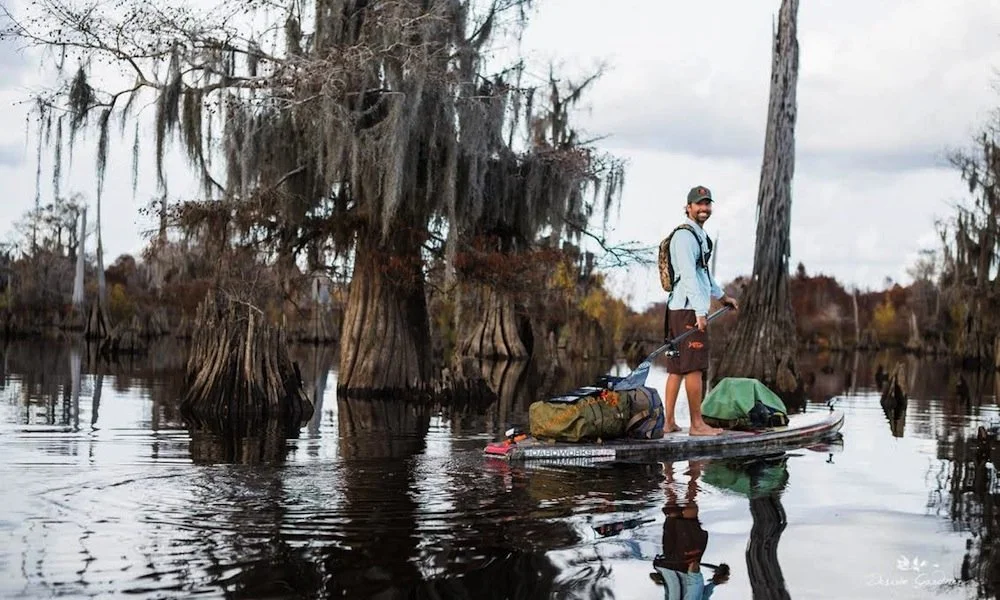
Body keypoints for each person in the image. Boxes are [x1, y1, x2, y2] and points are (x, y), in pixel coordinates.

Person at [661, 186, 739, 436]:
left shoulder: (699, 237)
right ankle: (697, 425)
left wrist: (722, 296)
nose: (704, 208)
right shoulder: (684, 237)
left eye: (707, 204)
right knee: (693, 368)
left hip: (679, 309)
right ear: (688, 207)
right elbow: (686, 276)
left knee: (676, 368)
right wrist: (699, 311)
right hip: (686, 311)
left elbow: (702, 273)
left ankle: (668, 422)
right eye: (699, 204)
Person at [650, 461, 731, 599]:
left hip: (683, 564)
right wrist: (715, 582)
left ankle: (689, 467)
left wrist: (694, 574)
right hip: (671, 565)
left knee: (684, 510)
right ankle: (674, 469)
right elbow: (703, 595)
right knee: (675, 511)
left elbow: (695, 591)